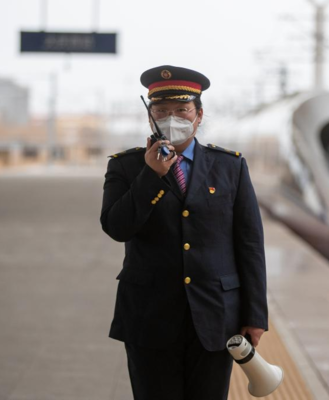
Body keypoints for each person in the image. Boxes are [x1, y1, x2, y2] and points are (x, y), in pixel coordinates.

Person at [100, 65, 268, 400]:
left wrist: (255, 314)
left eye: (181, 110)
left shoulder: (229, 166)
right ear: (150, 118)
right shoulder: (126, 166)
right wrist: (150, 175)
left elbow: (249, 244)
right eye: (161, 111)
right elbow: (116, 227)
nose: (172, 118)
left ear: (199, 115)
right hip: (149, 317)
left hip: (216, 316)